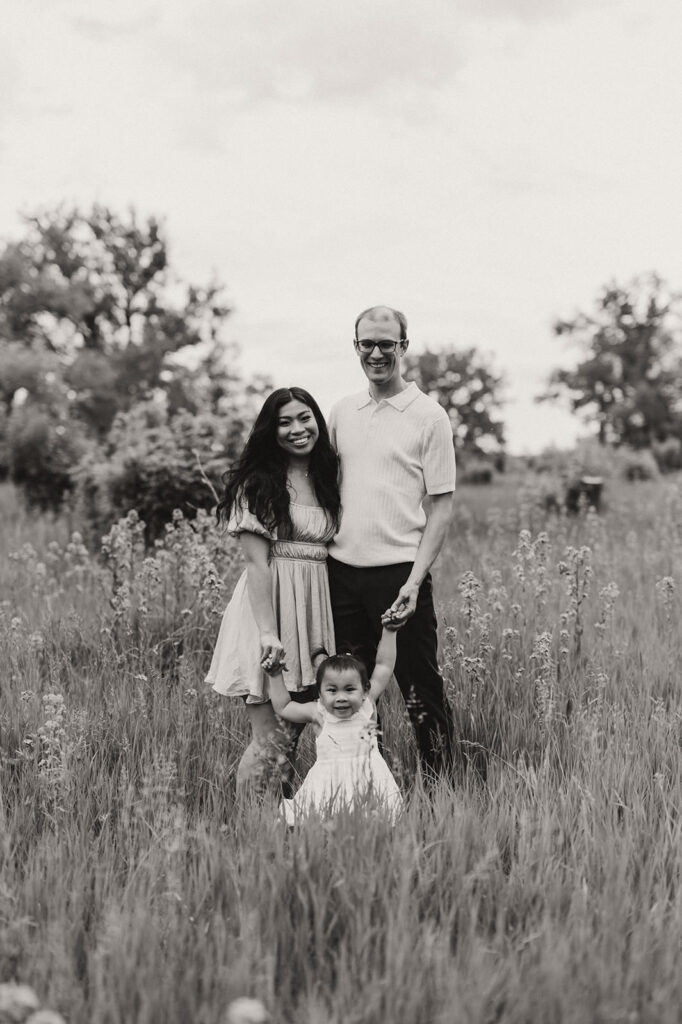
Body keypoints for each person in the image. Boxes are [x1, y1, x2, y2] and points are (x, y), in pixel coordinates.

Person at [327, 305, 456, 780]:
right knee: (352, 692)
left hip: (400, 574)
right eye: (367, 344)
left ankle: (443, 788)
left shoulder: (429, 417)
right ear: (356, 346)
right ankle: (367, 787)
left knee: (421, 687)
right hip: (340, 575)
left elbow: (441, 506)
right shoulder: (341, 412)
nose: (376, 353)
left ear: (404, 345)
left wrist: (414, 582)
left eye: (387, 343)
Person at [206, 386, 340, 795]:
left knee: (296, 730)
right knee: (271, 737)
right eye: (284, 422)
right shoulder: (259, 483)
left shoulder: (327, 476)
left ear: (318, 421)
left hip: (315, 610)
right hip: (272, 609)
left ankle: (283, 817)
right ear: (271, 430)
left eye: (304, 418)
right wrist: (268, 632)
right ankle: (250, 822)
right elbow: (256, 563)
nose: (297, 429)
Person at [268, 620, 403, 823]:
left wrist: (389, 631)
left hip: (370, 785)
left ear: (365, 690)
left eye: (350, 689)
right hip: (327, 786)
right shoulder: (319, 713)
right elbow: (283, 707)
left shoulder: (367, 706)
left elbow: (384, 666)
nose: (341, 697)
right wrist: (275, 675)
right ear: (320, 693)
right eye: (332, 690)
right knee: (326, 827)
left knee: (371, 827)